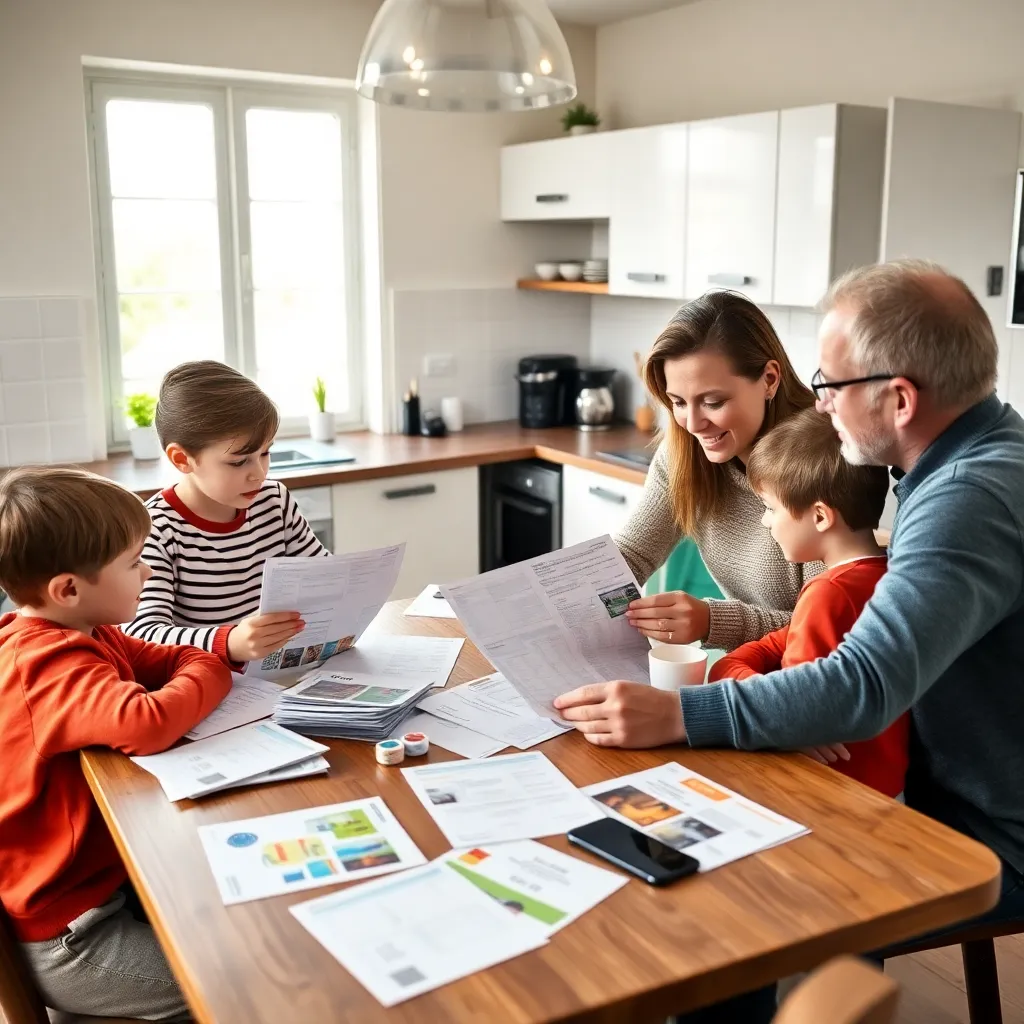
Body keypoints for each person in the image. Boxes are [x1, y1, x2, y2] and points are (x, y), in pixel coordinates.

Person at [554, 259, 1024, 1021]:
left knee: (721, 895)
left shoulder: (968, 495)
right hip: (922, 774)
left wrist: (682, 713)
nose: (824, 405)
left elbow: (859, 684)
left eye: (830, 385)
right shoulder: (956, 464)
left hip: (972, 826)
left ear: (898, 399)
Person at [0, 467, 232, 1020]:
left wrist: (201, 665)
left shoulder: (86, 629)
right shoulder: (49, 665)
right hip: (74, 937)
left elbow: (171, 661)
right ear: (68, 588)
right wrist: (213, 670)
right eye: (133, 563)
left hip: (110, 888)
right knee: (241, 981)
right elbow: (149, 721)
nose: (148, 570)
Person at [708, 406, 907, 799]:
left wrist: (731, 669)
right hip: (888, 788)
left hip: (829, 791)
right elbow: (776, 649)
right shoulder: (890, 575)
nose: (766, 522)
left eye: (770, 508)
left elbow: (784, 713)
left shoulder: (828, 593)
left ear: (819, 517)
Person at [612, 291, 821, 653]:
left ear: (770, 379)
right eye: (677, 402)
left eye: (713, 402)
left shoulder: (821, 462)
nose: (693, 424)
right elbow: (631, 555)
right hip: (746, 670)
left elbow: (826, 627)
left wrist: (713, 620)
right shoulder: (684, 451)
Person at [123, 360, 329, 665]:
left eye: (265, 453)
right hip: (211, 686)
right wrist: (229, 641)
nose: (259, 474)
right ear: (182, 459)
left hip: (281, 675)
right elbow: (142, 634)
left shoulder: (274, 501)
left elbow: (325, 577)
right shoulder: (156, 528)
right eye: (239, 461)